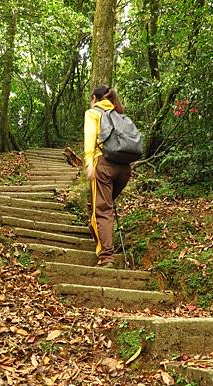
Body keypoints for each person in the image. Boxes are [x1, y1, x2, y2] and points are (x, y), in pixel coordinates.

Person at [84, 85, 131, 268]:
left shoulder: (93, 113)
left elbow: (90, 139)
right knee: (99, 205)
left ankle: (106, 257)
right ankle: (96, 233)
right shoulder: (119, 114)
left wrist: (89, 164)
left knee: (102, 211)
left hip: (103, 165)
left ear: (95, 99)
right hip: (124, 169)